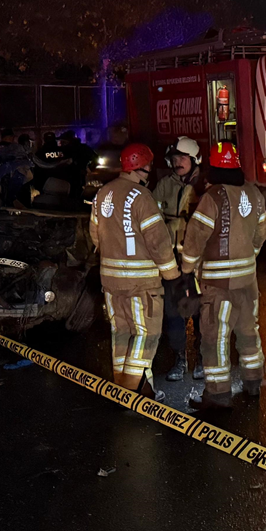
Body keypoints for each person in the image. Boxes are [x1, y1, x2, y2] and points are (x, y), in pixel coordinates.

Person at [180, 143, 266, 409]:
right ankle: (253, 382)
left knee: (216, 337)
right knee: (248, 332)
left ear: (214, 167)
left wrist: (186, 270)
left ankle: (218, 394)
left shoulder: (212, 197)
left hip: (218, 285)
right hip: (248, 281)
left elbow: (195, 237)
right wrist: (248, 256)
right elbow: (261, 233)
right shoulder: (254, 193)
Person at [89, 142, 181, 399]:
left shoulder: (102, 195)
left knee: (121, 332)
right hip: (141, 284)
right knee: (146, 334)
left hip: (110, 281)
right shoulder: (142, 197)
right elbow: (159, 242)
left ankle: (135, 387)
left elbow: (95, 236)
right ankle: (132, 390)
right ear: (144, 166)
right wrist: (172, 275)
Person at [153, 136, 205, 381]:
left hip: (198, 263)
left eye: (182, 158)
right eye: (174, 158)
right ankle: (180, 359)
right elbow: (151, 216)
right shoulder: (165, 185)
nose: (177, 162)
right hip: (171, 262)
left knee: (201, 311)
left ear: (194, 159)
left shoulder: (205, 186)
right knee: (172, 313)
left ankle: (203, 358)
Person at [61, 130, 97, 202]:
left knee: (72, 193)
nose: (62, 143)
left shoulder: (66, 149)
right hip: (80, 174)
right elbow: (95, 158)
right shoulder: (84, 147)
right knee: (78, 191)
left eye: (64, 141)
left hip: (70, 175)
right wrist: (89, 168)